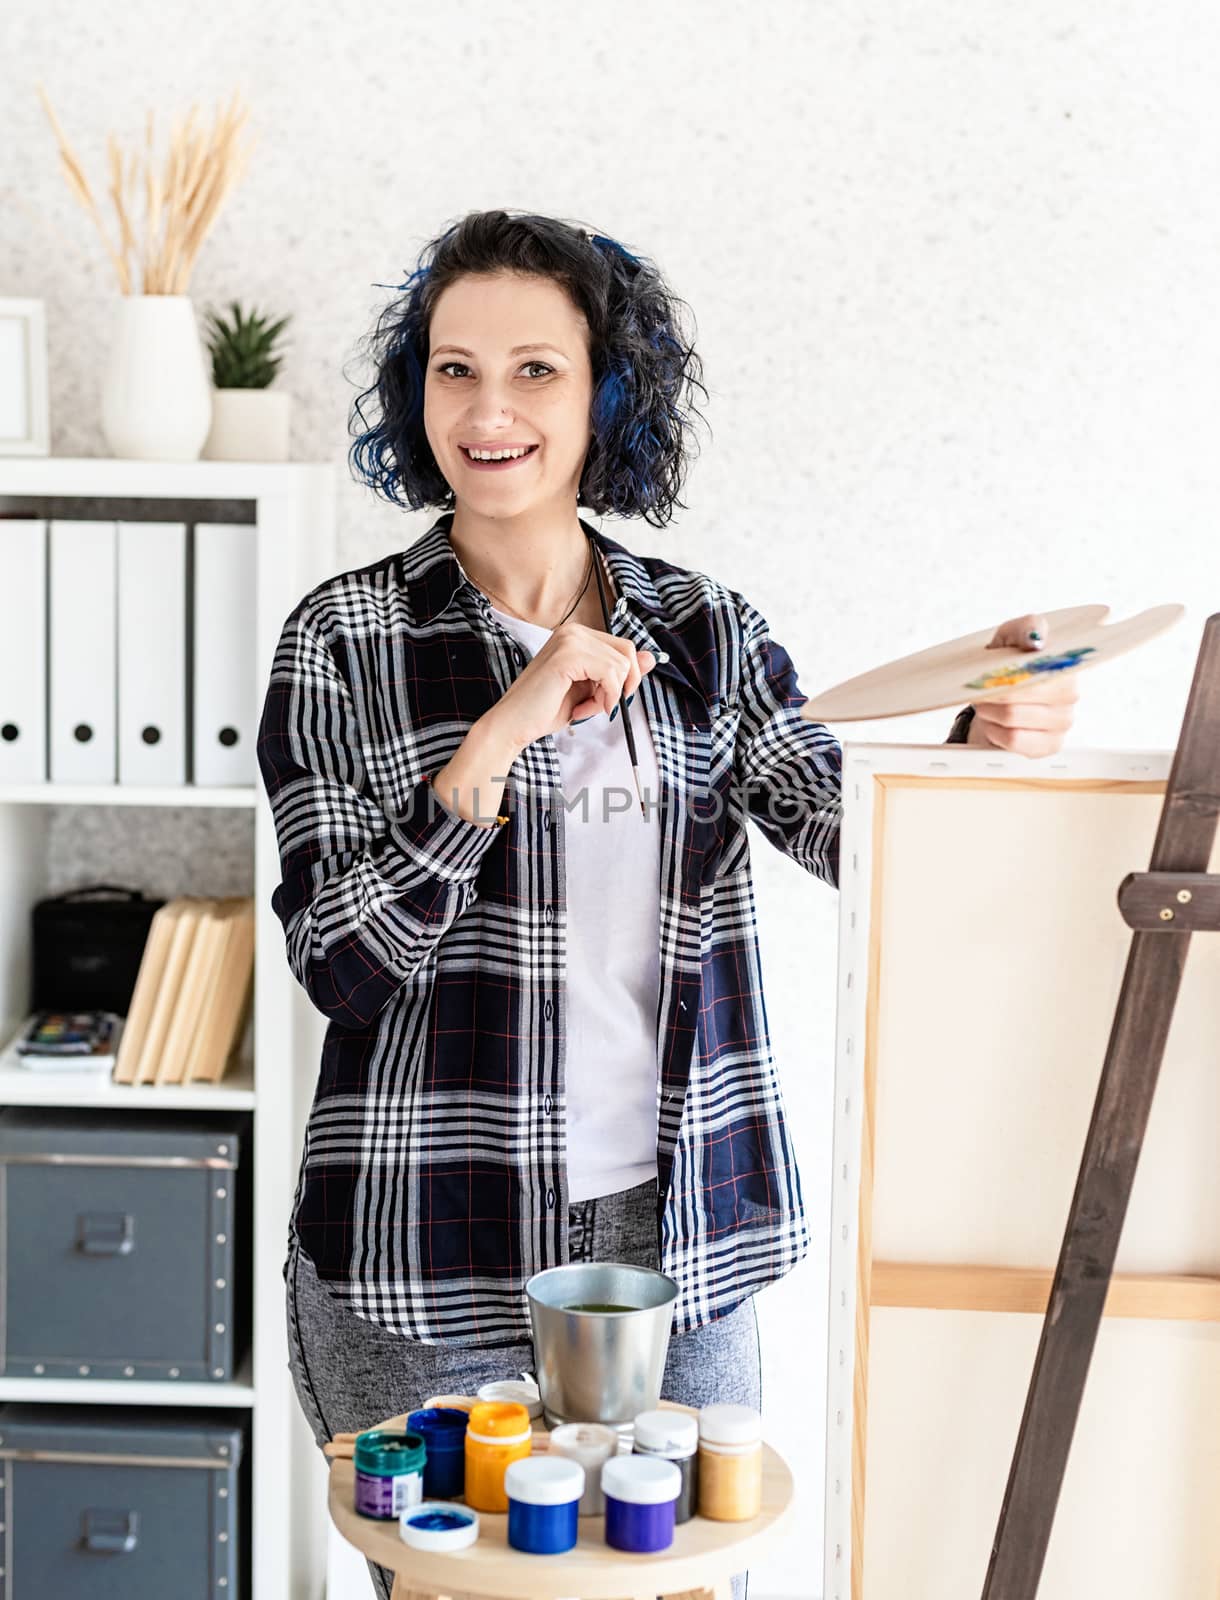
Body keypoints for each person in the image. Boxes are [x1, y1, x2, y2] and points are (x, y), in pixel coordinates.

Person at [257, 209, 1078, 1600]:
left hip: (684, 1232)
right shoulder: (343, 641)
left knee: (685, 1583)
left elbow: (849, 833)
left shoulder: (702, 630)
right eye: (452, 370)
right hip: (424, 1237)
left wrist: (975, 739)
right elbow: (343, 961)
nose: (489, 409)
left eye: (536, 370)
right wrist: (502, 734)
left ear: (603, 396)